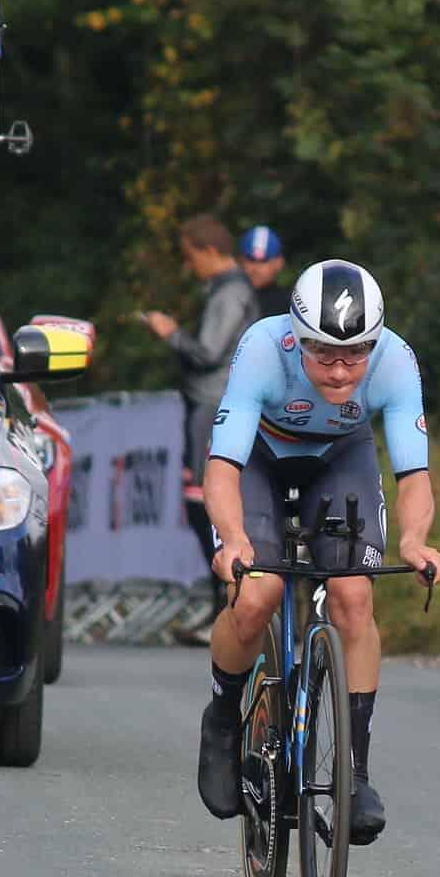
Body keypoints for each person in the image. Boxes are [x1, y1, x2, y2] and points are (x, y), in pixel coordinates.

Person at [198, 258, 440, 844]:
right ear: (297, 337)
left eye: (355, 355)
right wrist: (234, 539)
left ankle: (354, 774)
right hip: (260, 457)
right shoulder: (262, 348)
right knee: (258, 591)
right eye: (324, 356)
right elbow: (222, 466)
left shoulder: (396, 360)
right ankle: (222, 721)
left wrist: (414, 540)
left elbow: (413, 474)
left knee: (354, 596)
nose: (339, 372)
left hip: (340, 457)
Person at [138, 215, 260, 623]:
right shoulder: (227, 290)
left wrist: (170, 332)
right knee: (200, 503)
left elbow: (208, 352)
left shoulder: (232, 292)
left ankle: (228, 603)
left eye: (191, 258)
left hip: (215, 406)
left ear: (210, 251)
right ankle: (223, 603)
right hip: (209, 405)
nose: (190, 268)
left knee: (205, 503)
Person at [238, 225, 290, 319]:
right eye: (251, 260)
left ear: (279, 262)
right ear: (241, 260)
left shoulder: (289, 306)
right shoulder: (231, 298)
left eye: (264, 261)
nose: (256, 268)